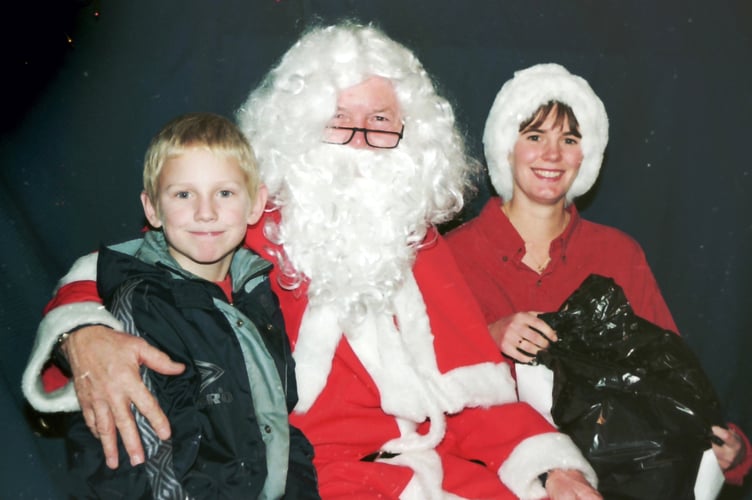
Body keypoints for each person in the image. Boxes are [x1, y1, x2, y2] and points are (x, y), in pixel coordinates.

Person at [23, 25, 602, 498]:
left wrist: (551, 469)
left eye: (380, 122)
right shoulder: (242, 228)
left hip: (431, 469)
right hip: (306, 482)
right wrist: (83, 336)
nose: (357, 141)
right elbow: (126, 270)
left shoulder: (419, 243)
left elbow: (477, 399)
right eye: (337, 120)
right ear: (296, 132)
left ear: (412, 139)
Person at [445, 62, 752, 484]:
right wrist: (489, 337)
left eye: (569, 139)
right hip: (490, 480)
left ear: (586, 155)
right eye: (534, 137)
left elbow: (673, 378)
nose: (552, 155)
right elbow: (424, 390)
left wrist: (731, 449)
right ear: (504, 145)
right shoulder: (452, 256)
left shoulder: (618, 253)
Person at [34, 113, 319, 498]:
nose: (206, 212)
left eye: (225, 193)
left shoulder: (255, 292)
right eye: (184, 194)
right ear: (152, 209)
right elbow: (141, 453)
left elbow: (276, 426)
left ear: (255, 205)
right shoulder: (142, 302)